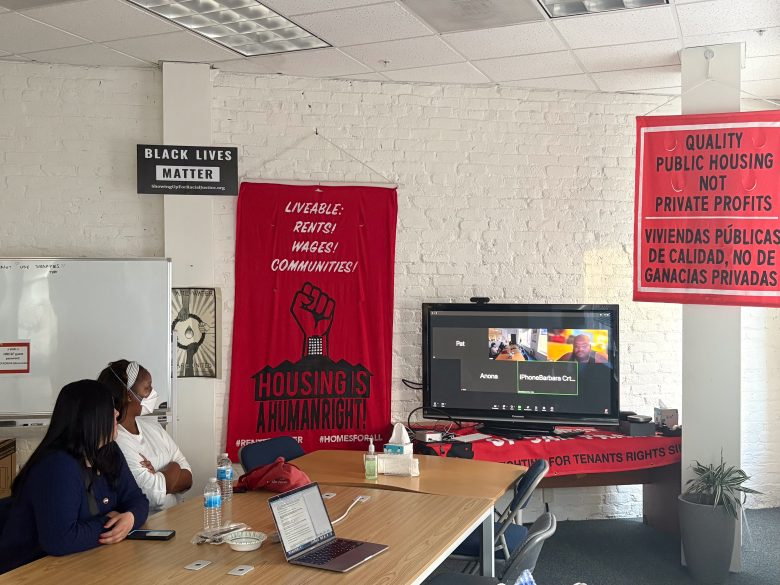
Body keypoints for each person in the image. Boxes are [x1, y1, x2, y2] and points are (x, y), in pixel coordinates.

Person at [0, 380, 149, 574]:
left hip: (81, 562)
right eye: (110, 409)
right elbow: (60, 540)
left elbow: (137, 500)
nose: (117, 414)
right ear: (90, 417)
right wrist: (108, 522)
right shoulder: (57, 465)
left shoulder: (109, 451)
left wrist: (129, 518)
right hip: (31, 571)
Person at [98, 360, 192, 515]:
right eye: (147, 388)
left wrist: (161, 474)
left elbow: (188, 477)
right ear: (128, 395)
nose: (153, 393)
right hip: (146, 528)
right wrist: (175, 467)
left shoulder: (153, 427)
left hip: (175, 518)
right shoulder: (116, 439)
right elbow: (153, 495)